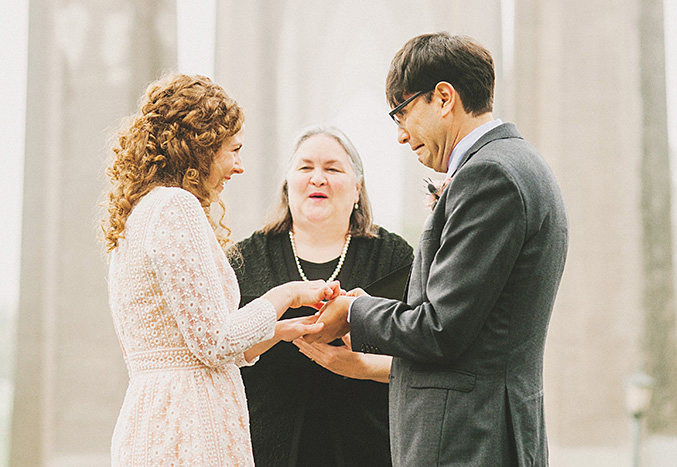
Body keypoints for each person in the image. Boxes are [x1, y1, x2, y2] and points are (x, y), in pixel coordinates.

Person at [306, 33, 569, 466]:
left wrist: (354, 313)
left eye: (402, 113)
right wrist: (367, 306)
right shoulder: (520, 164)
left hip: (467, 440)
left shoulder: (490, 178)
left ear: (444, 97)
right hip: (490, 432)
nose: (400, 136)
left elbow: (441, 329)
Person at [101, 74, 341, 467]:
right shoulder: (176, 208)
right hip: (189, 427)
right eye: (233, 150)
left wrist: (278, 332)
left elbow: (194, 347)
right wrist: (289, 294)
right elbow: (215, 342)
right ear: (201, 147)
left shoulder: (141, 213)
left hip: (153, 419)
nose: (239, 166)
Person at [231, 125, 414, 467]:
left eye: (332, 168)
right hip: (266, 449)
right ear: (288, 184)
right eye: (305, 168)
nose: (318, 178)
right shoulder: (244, 258)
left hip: (369, 449)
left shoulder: (394, 258)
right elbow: (222, 351)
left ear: (357, 188)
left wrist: (360, 364)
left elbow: (420, 356)